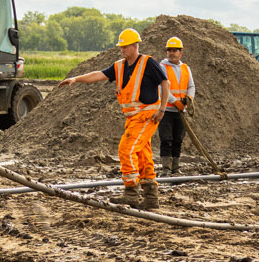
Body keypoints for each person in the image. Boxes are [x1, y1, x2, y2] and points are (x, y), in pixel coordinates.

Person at [60, 27, 166, 208]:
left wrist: (162, 109)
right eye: (121, 47)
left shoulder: (148, 63)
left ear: (135, 46)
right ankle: (151, 197)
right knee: (142, 155)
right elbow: (98, 75)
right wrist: (76, 79)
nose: (122, 50)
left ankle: (131, 193)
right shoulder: (119, 66)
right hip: (133, 118)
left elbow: (165, 82)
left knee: (126, 149)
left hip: (147, 115)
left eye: (125, 47)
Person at [157, 36, 194, 171]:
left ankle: (176, 168)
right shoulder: (162, 67)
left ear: (180, 52)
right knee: (166, 139)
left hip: (180, 111)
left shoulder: (185, 68)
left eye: (174, 50)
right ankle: (166, 168)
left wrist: (189, 98)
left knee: (178, 140)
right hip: (166, 110)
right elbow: (162, 88)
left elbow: (191, 86)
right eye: (169, 50)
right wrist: (174, 101)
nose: (171, 53)